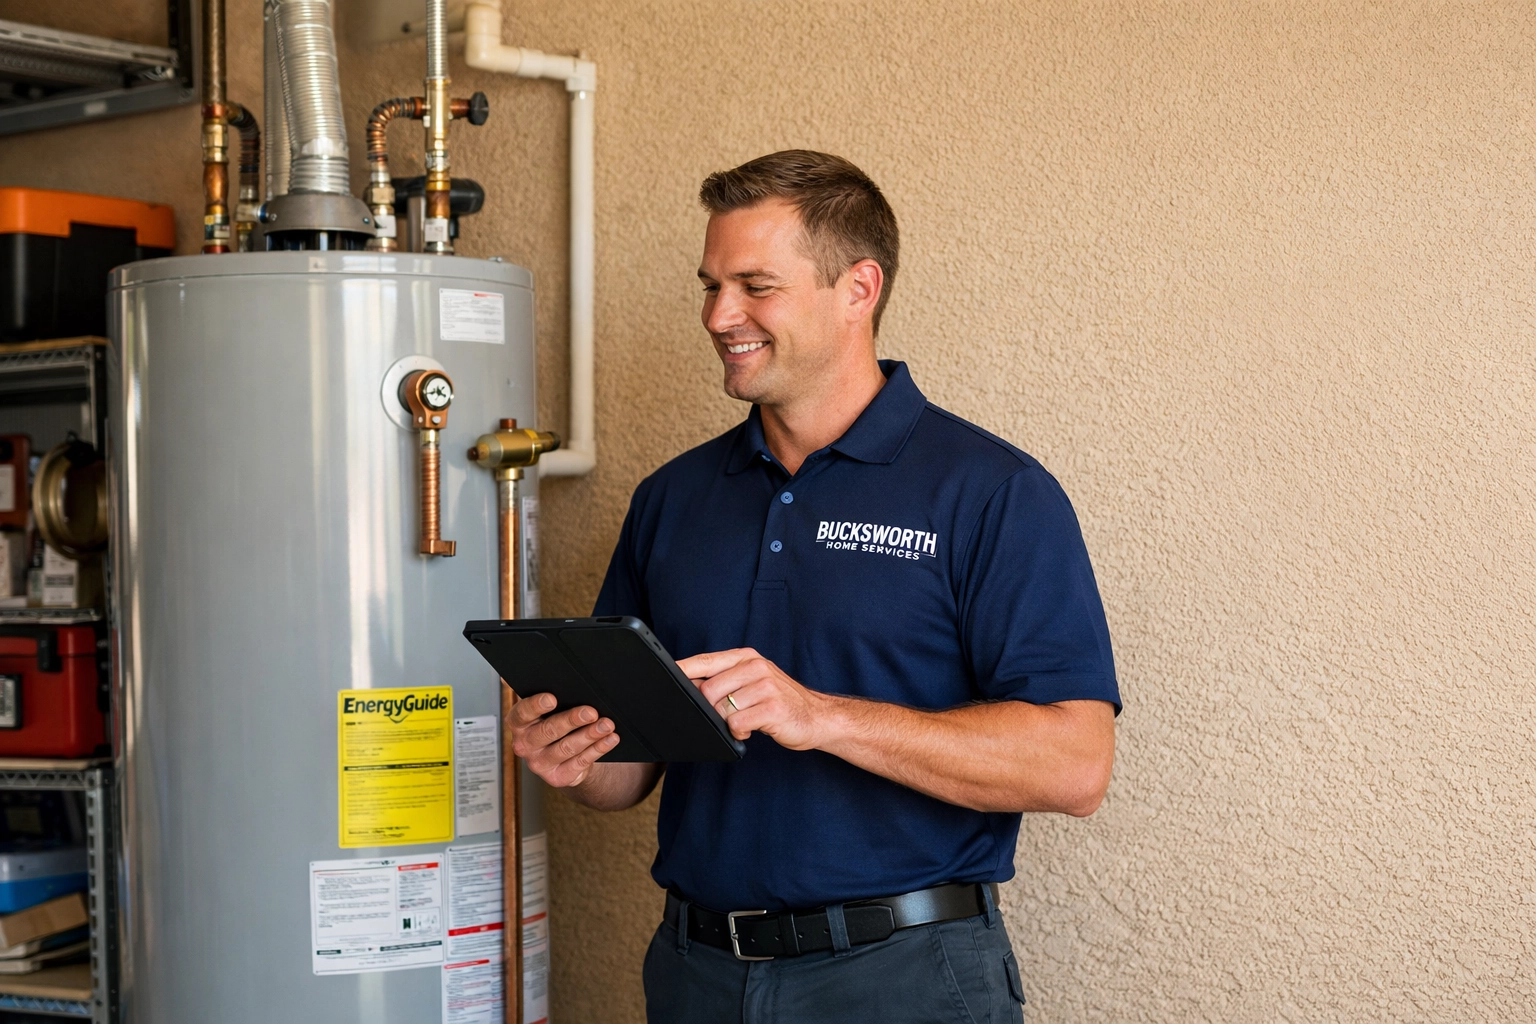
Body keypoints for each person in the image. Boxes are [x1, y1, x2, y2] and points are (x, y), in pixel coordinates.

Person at [508, 150, 1120, 1024]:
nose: (721, 316)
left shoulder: (991, 491)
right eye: (710, 285)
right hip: (696, 972)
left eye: (756, 285)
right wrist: (570, 755)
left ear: (858, 289)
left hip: (901, 976)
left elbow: (1075, 765)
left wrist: (822, 716)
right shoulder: (673, 498)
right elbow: (627, 774)